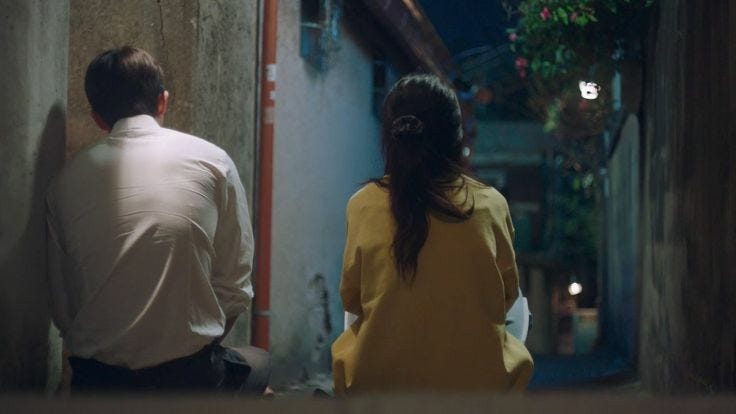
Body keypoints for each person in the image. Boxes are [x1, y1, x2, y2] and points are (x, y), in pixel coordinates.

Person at [46, 46, 269, 393]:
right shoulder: (213, 162)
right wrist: (192, 344)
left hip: (97, 383)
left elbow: (63, 309)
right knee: (260, 361)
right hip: (186, 380)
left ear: (98, 118)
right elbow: (236, 289)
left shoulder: (63, 184)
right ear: (162, 102)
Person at [331, 74, 533, 394]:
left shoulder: (362, 204)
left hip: (377, 388)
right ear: (456, 138)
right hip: (477, 389)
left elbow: (352, 299)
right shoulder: (490, 204)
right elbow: (507, 297)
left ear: (390, 138)